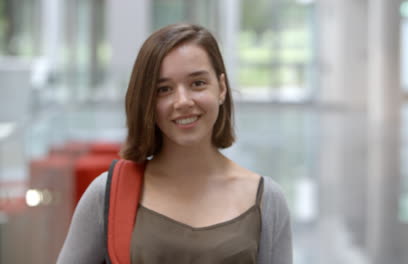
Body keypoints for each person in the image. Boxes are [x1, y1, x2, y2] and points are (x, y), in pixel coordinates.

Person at [57, 23, 292, 264]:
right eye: (164, 89)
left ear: (221, 88)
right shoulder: (106, 193)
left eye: (198, 83)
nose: (182, 101)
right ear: (147, 100)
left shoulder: (267, 201)